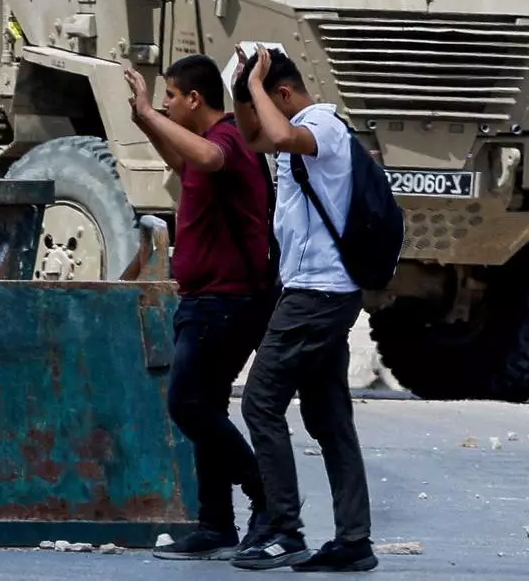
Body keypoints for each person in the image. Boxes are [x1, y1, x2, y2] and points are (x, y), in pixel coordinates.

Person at [227, 44, 378, 574]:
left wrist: (254, 89)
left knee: (259, 403)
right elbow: (254, 135)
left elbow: (282, 134)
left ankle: (283, 530)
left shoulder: (322, 125)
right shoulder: (292, 129)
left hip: (318, 293)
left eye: (266, 100)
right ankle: (353, 541)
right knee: (328, 414)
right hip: (316, 291)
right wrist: (243, 85)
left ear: (284, 94)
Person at [124, 55, 277, 560]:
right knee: (204, 407)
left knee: (187, 404)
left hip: (227, 302)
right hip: (208, 299)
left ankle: (266, 495)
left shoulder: (229, 140)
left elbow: (208, 159)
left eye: (171, 95)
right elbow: (184, 161)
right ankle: (215, 524)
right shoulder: (212, 146)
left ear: (194, 98)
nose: (166, 102)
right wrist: (147, 122)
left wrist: (150, 114)